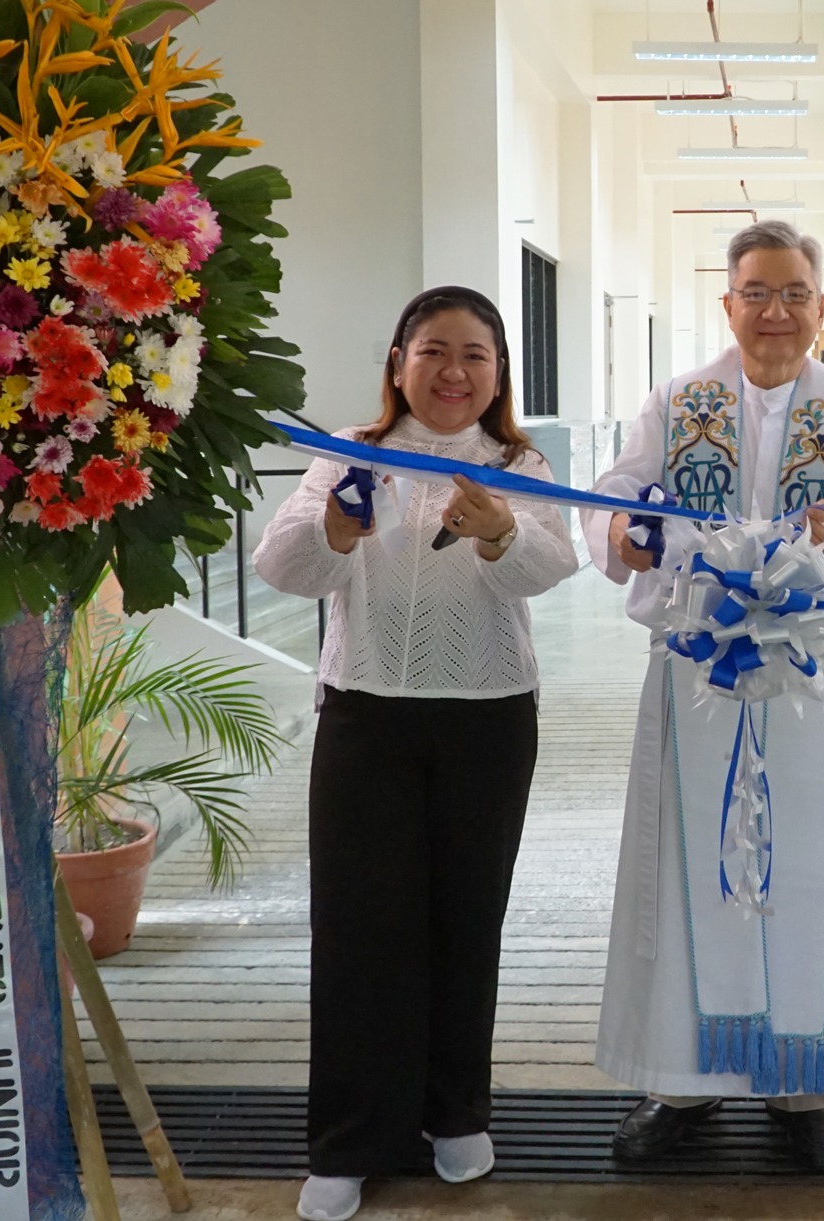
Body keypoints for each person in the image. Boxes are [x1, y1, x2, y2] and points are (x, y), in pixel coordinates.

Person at [584, 220, 824, 1172]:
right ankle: (679, 1076)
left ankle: (800, 1083)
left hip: (810, 674)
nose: (775, 312)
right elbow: (620, 492)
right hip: (697, 675)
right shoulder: (678, 402)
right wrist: (626, 528)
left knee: (809, 864)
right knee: (690, 868)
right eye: (756, 293)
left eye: (794, 293)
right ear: (727, 303)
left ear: (822, 304)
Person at [253, 286, 578, 1221]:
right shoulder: (351, 454)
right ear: (399, 361)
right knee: (361, 930)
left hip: (488, 715)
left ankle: (454, 1114)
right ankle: (351, 1140)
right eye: (434, 350)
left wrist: (502, 531)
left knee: (466, 919)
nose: (454, 372)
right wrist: (337, 529)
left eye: (475, 354)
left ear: (498, 373)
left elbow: (556, 567)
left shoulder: (517, 461)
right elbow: (283, 565)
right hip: (366, 716)